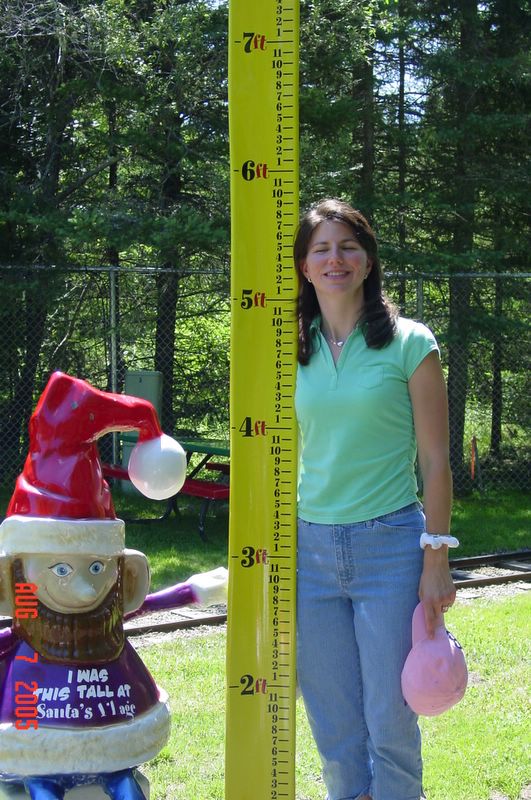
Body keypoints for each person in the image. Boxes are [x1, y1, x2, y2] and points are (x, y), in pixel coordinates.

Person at [294, 199, 456, 800]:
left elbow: (435, 462)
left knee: (390, 721)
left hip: (390, 548)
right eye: (321, 249)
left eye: (348, 247)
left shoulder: (411, 344)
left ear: (368, 260)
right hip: (308, 554)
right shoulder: (288, 350)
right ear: (305, 267)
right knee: (334, 725)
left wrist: (435, 559)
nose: (335, 259)